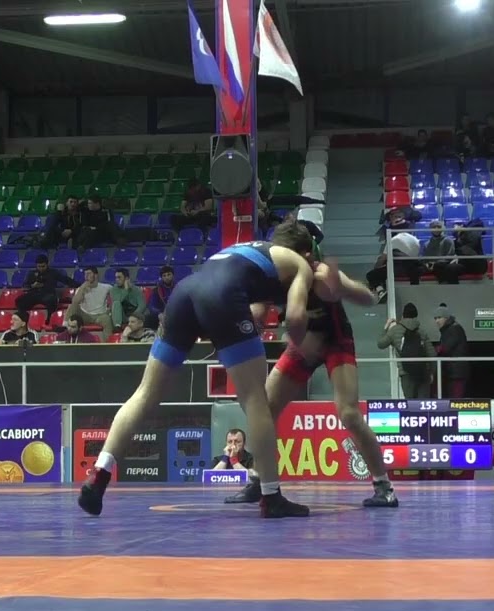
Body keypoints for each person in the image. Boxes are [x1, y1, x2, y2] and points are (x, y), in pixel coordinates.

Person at [77, 221, 335, 519]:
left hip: (185, 294)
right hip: (222, 296)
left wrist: (230, 330)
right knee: (256, 401)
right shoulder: (299, 265)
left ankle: (99, 474)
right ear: (305, 252)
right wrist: (302, 342)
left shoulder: (249, 252)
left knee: (145, 393)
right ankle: (271, 496)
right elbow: (294, 315)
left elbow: (252, 308)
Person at [227, 257, 398, 508]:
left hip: (335, 342)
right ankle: (257, 480)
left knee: (349, 413)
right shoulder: (273, 275)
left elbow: (368, 298)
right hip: (302, 345)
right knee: (264, 407)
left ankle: (384, 487)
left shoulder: (321, 273)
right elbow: (258, 312)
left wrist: (343, 287)